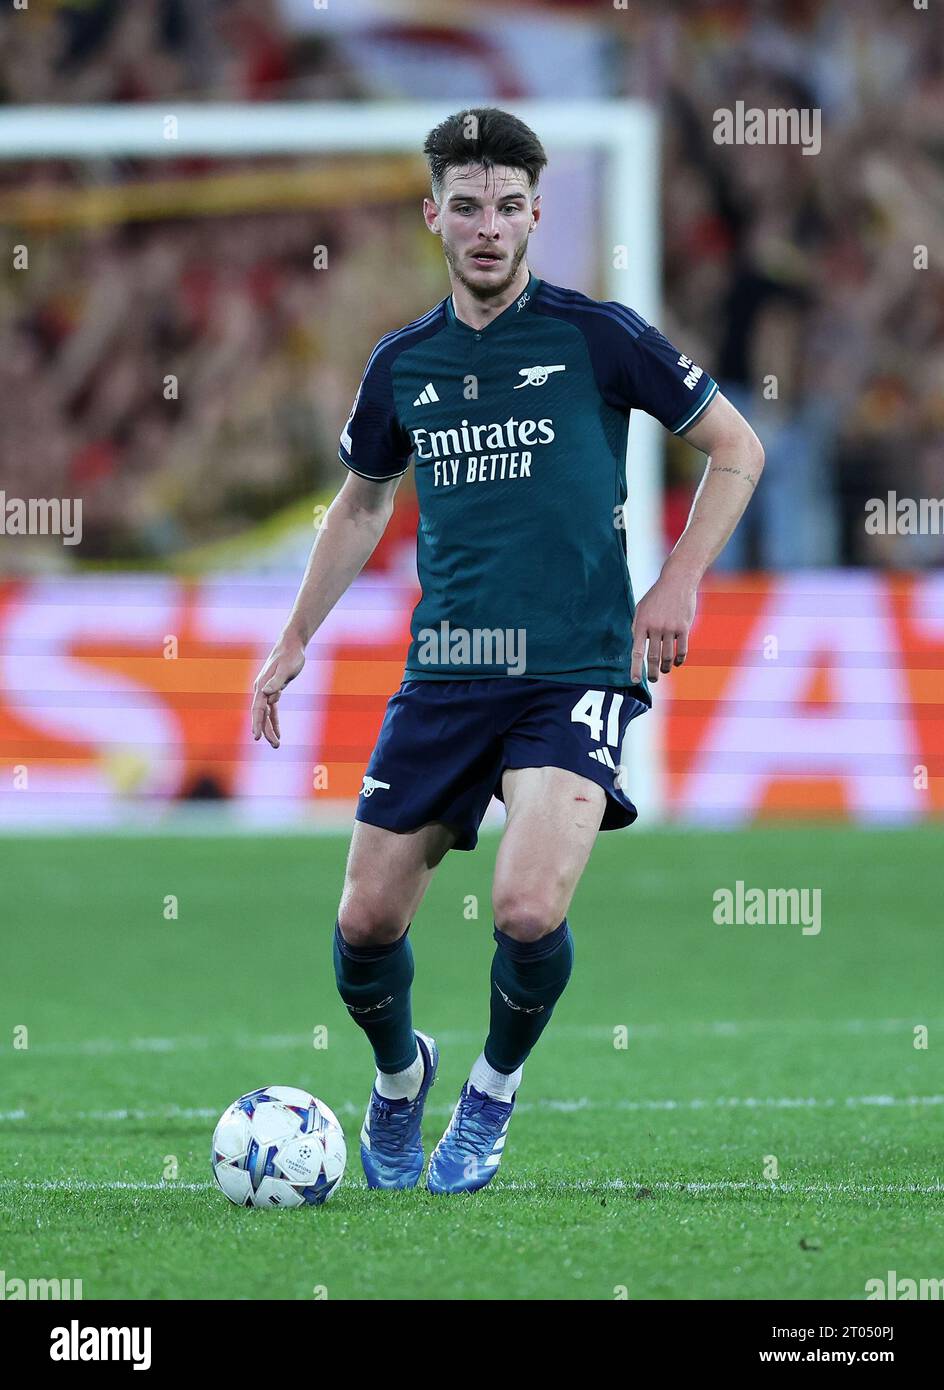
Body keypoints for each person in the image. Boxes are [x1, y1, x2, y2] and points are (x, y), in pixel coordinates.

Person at [250, 107, 764, 1195]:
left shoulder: (597, 335)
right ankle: (400, 1083)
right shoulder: (404, 363)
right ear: (434, 215)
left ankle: (487, 1094)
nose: (488, 226)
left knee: (528, 911)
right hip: (446, 669)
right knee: (364, 922)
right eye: (467, 205)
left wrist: (674, 581)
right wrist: (296, 633)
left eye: (507, 205)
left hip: (574, 667)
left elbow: (737, 448)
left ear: (535, 212)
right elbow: (358, 505)